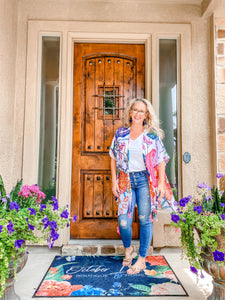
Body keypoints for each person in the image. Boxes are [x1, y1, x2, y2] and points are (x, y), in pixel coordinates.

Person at [109, 98, 177, 275]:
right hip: (125, 180)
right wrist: (114, 181)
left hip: (145, 181)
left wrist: (161, 183)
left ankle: (141, 259)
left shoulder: (151, 136)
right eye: (135, 110)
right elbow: (113, 157)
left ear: (146, 115)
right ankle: (128, 248)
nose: (138, 114)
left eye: (142, 111)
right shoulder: (120, 134)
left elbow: (161, 159)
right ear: (130, 112)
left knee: (145, 219)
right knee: (124, 220)